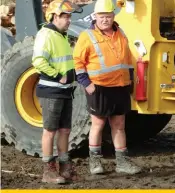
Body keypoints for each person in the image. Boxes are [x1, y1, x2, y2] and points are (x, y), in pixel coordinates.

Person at [73, 0, 141, 175]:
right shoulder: (87, 36)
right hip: (99, 87)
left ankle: (122, 162)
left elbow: (127, 59)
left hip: (120, 86)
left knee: (119, 124)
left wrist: (130, 81)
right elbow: (78, 62)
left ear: (113, 16)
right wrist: (86, 84)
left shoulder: (121, 33)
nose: (105, 20)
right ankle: (95, 162)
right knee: (98, 124)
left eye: (108, 16)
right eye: (102, 17)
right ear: (95, 17)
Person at [32, 0, 82, 184]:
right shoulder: (46, 35)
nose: (69, 20)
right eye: (65, 16)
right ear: (54, 16)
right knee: (49, 131)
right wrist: (58, 76)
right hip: (51, 91)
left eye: (69, 16)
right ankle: (49, 170)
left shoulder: (61, 35)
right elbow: (38, 61)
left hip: (65, 91)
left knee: (65, 130)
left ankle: (64, 166)